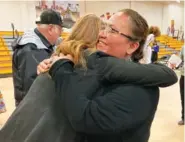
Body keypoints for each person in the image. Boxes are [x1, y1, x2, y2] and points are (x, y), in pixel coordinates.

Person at [0, 13, 177, 142]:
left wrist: (61, 67)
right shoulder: (78, 66)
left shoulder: (138, 88)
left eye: (112, 30)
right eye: (104, 27)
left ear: (132, 46)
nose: (102, 34)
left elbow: (85, 118)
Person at [12, 9, 63, 106]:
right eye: (60, 30)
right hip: (32, 108)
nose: (60, 34)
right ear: (51, 29)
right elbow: (35, 85)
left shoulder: (41, 44)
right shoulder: (32, 49)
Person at [178, 45, 184, 125]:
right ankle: (184, 117)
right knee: (183, 97)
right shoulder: (183, 47)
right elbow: (180, 60)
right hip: (184, 76)